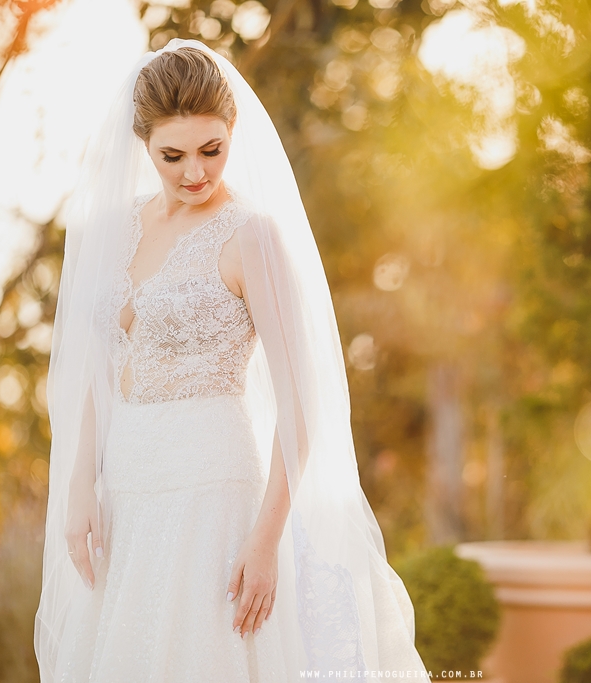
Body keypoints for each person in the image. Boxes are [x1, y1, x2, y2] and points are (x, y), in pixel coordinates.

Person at [35, 40, 429, 683]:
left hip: (215, 489)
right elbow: (96, 368)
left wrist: (266, 540)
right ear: (145, 147)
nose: (195, 172)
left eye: (211, 150)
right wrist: (81, 485)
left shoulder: (251, 237)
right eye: (174, 156)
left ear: (232, 134)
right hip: (127, 491)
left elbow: (301, 405)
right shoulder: (118, 227)